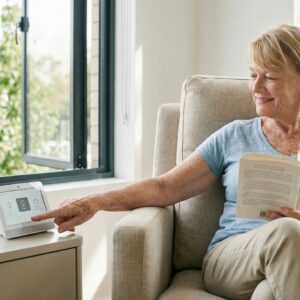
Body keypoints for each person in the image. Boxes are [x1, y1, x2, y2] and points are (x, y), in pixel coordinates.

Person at [32, 24, 300, 300]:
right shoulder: (234, 136)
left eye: (269, 77)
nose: (255, 87)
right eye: (253, 75)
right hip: (230, 262)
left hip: (288, 266)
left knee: (268, 293)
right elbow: (164, 187)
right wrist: (96, 201)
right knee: (288, 232)